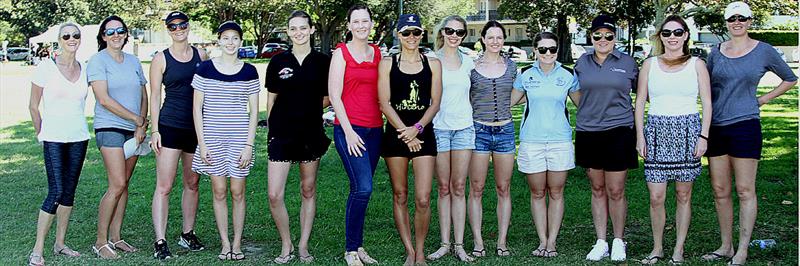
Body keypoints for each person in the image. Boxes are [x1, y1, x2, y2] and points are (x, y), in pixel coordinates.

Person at [700, 2, 798, 265]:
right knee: (720, 190)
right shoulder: (716, 51)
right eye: (732, 18)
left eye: (742, 17)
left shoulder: (763, 50)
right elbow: (706, 86)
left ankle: (742, 249)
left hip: (745, 125)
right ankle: (725, 246)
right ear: (726, 22)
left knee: (744, 190)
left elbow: (790, 78)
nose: (737, 22)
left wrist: (763, 99)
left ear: (750, 21)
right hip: (716, 127)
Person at [634, 15, 712, 265]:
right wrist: (640, 136)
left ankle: (678, 248)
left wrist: (703, 136)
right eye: (667, 33)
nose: (672, 38)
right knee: (656, 196)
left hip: (688, 130)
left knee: (683, 194)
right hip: (656, 131)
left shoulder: (697, 64)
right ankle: (657, 248)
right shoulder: (649, 65)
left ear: (686, 35)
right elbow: (639, 104)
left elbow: (707, 103)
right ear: (660, 37)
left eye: (678, 33)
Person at [265, 10, 331, 264]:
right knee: (274, 194)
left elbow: (330, 96)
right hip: (281, 134)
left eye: (303, 28)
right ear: (288, 31)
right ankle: (286, 243)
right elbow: (271, 98)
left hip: (310, 134)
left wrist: (310, 108)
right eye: (293, 28)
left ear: (312, 30)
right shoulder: (278, 61)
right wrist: (274, 126)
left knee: (308, 189)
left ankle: (303, 245)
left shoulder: (323, 62)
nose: (299, 33)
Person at [191, 21, 259, 261]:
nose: (230, 42)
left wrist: (249, 146)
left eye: (235, 38)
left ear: (241, 41)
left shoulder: (249, 71)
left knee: (237, 191)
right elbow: (197, 109)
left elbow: (254, 112)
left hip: (239, 140)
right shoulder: (204, 69)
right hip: (211, 139)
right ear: (219, 40)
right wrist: (203, 143)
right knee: (219, 191)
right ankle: (225, 243)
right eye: (226, 38)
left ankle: (238, 243)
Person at [378, 14, 442, 266]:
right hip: (396, 134)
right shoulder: (387, 63)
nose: (411, 37)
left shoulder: (433, 63)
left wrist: (416, 128)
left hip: (423, 132)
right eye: (406, 33)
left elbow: (435, 103)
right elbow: (384, 103)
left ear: (422, 34)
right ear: (398, 35)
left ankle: (421, 250)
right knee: (400, 194)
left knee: (423, 198)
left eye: (416, 32)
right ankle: (410, 251)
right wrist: (406, 132)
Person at [510, 32, 580, 259]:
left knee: (557, 192)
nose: (547, 53)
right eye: (542, 49)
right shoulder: (524, 75)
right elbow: (510, 101)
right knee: (538, 192)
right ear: (535, 51)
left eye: (552, 49)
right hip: (532, 141)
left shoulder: (569, 74)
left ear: (557, 51)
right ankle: (541, 240)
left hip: (560, 140)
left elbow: (584, 104)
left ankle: (552, 241)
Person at [575, 15, 639, 262]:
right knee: (597, 187)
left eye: (608, 36)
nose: (603, 40)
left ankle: (619, 241)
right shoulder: (582, 62)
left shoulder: (628, 63)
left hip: (619, 132)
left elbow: (643, 94)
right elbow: (576, 93)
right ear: (591, 37)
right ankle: (601, 241)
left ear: (615, 38)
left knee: (616, 189)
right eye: (597, 35)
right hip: (588, 132)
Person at [27, 22, 89, 266]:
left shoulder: (84, 68)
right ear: (59, 40)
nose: (71, 39)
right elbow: (33, 105)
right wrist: (40, 131)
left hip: (78, 137)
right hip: (53, 138)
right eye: (66, 36)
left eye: (75, 35)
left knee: (69, 193)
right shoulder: (45, 67)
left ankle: (60, 244)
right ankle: (37, 249)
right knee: (56, 191)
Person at [148, 11, 209, 260]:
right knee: (164, 186)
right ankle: (160, 241)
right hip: (169, 127)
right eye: (173, 26)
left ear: (188, 26)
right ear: (168, 30)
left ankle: (187, 233)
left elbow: (209, 91)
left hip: (195, 128)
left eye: (182, 24)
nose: (178, 29)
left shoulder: (201, 55)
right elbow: (154, 96)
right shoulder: (160, 59)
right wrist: (154, 130)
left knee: (192, 183)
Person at [89, 15, 149, 259]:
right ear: (103, 36)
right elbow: (103, 98)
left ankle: (117, 237)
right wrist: (136, 120)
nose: (115, 35)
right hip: (109, 128)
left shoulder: (134, 61)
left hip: (134, 130)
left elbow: (144, 95)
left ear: (126, 34)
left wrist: (142, 123)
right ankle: (100, 242)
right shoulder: (97, 61)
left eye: (120, 30)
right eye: (110, 31)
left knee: (124, 184)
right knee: (116, 184)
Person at [328, 4, 382, 266]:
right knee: (363, 187)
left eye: (365, 21)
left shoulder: (378, 53)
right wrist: (348, 131)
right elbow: (334, 95)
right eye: (356, 22)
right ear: (349, 26)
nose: (361, 26)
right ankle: (350, 250)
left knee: (360, 190)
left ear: (371, 24)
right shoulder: (341, 53)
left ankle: (358, 246)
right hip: (350, 130)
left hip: (375, 130)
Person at [427, 15, 476, 263]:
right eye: (450, 30)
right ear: (442, 32)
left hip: (464, 129)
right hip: (438, 129)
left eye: (460, 32)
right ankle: (444, 243)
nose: (454, 35)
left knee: (459, 187)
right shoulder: (431, 60)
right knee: (443, 187)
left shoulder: (469, 62)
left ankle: (460, 244)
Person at [468, 20, 517, 258]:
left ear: (503, 40)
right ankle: (478, 241)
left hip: (505, 131)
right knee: (476, 188)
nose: (495, 41)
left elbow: (520, 94)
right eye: (491, 37)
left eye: (499, 37)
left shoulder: (513, 67)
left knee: (503, 187)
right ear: (483, 39)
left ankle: (502, 241)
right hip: (479, 131)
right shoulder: (472, 67)